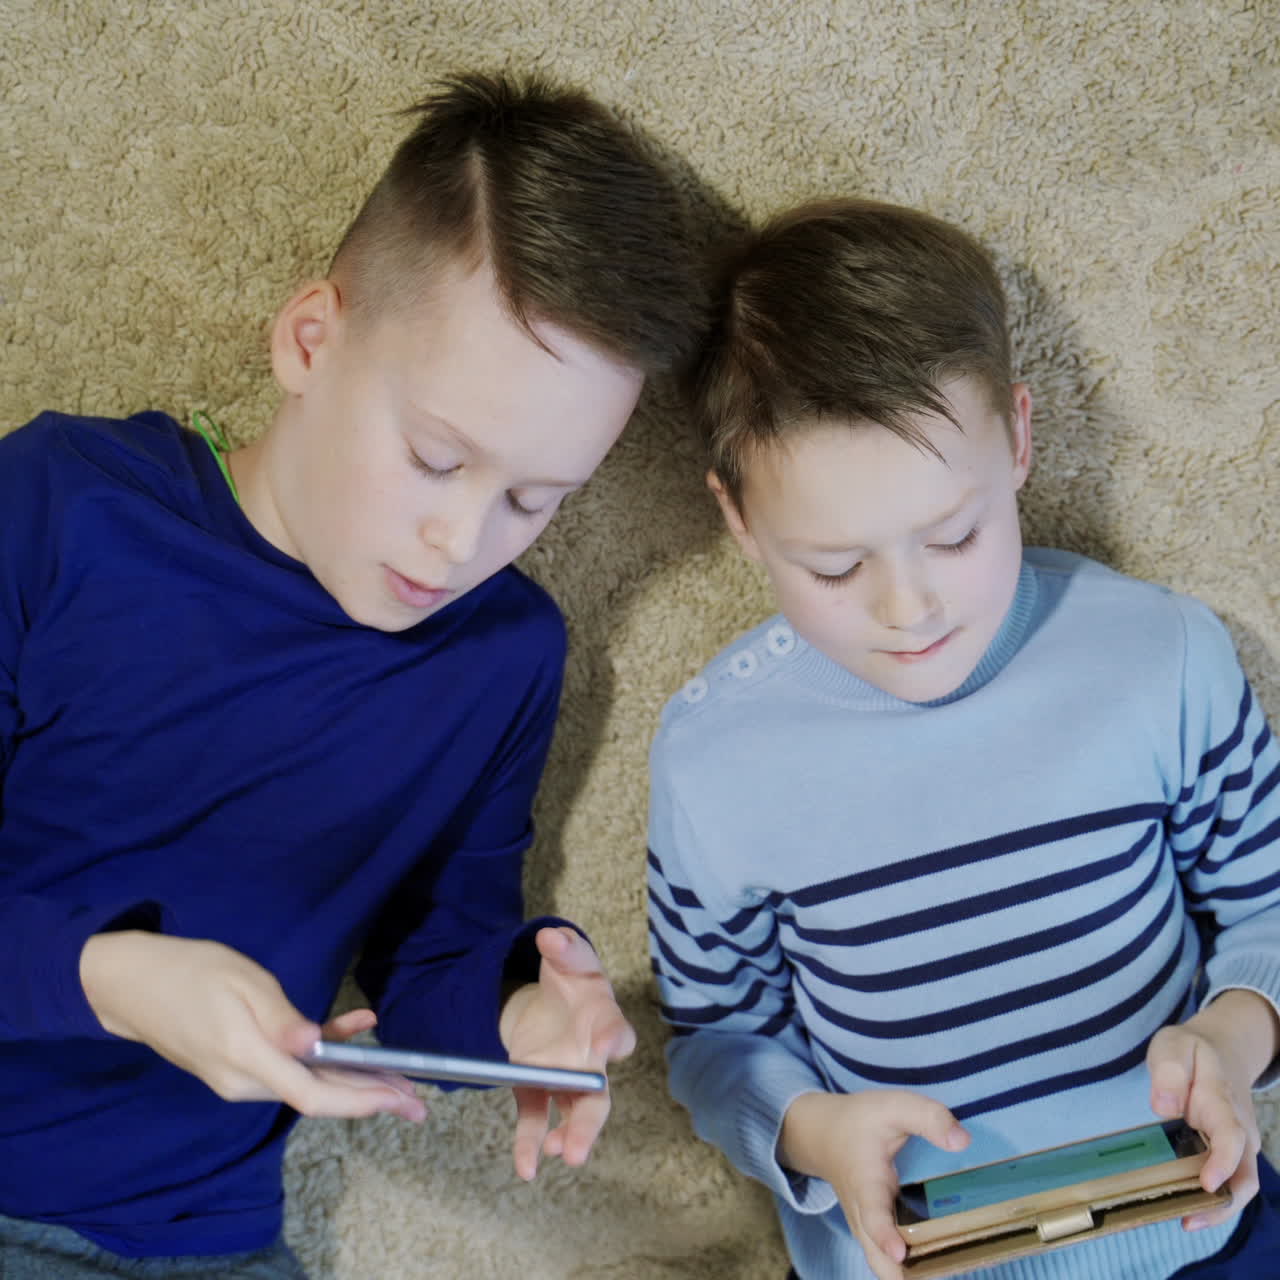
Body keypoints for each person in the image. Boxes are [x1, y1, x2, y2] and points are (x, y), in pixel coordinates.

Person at [0, 71, 707, 1278]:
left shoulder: (502, 655)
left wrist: (522, 1010)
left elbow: (432, 953)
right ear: (309, 340)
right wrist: (109, 977)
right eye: (433, 456)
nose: (461, 541)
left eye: (535, 499)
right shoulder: (64, 506)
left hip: (198, 1237)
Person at [646, 197, 1280, 1280]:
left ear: (1019, 437)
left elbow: (1266, 905)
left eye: (954, 534)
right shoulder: (714, 759)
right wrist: (812, 1132)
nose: (908, 608)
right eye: (834, 566)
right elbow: (714, 1041)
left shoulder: (1158, 658)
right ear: (739, 518)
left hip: (1195, 1232)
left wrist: (1230, 1037)